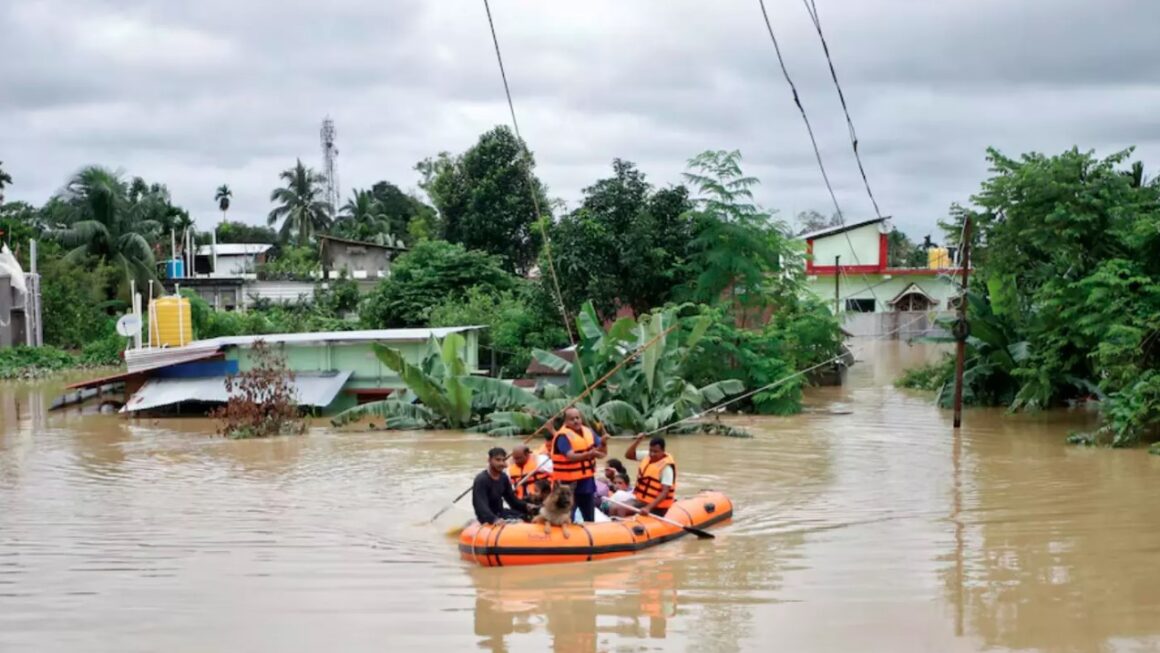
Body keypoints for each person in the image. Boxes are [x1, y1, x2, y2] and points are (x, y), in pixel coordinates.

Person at [548, 407, 605, 522]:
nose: (576, 421)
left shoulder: (588, 432)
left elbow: (602, 453)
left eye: (577, 418)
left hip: (586, 480)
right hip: (567, 483)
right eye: (571, 419)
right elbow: (570, 456)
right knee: (568, 513)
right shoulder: (563, 436)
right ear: (565, 422)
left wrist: (604, 442)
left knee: (589, 513)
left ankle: (590, 531)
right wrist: (589, 454)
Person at [472, 447, 534, 524]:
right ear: (489, 460)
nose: (501, 463)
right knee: (519, 522)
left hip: (501, 512)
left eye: (503, 460)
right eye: (498, 460)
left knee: (528, 517)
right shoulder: (481, 480)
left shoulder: (503, 477)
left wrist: (526, 506)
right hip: (487, 517)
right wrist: (494, 519)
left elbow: (512, 500)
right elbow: (480, 506)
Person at [621, 434, 677, 517]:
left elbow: (665, 492)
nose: (652, 454)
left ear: (663, 451)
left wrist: (648, 508)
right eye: (651, 451)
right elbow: (628, 455)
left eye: (655, 452)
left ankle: (620, 525)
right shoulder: (647, 456)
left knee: (621, 509)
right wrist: (638, 441)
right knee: (615, 507)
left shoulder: (666, 468)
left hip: (657, 506)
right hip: (641, 500)